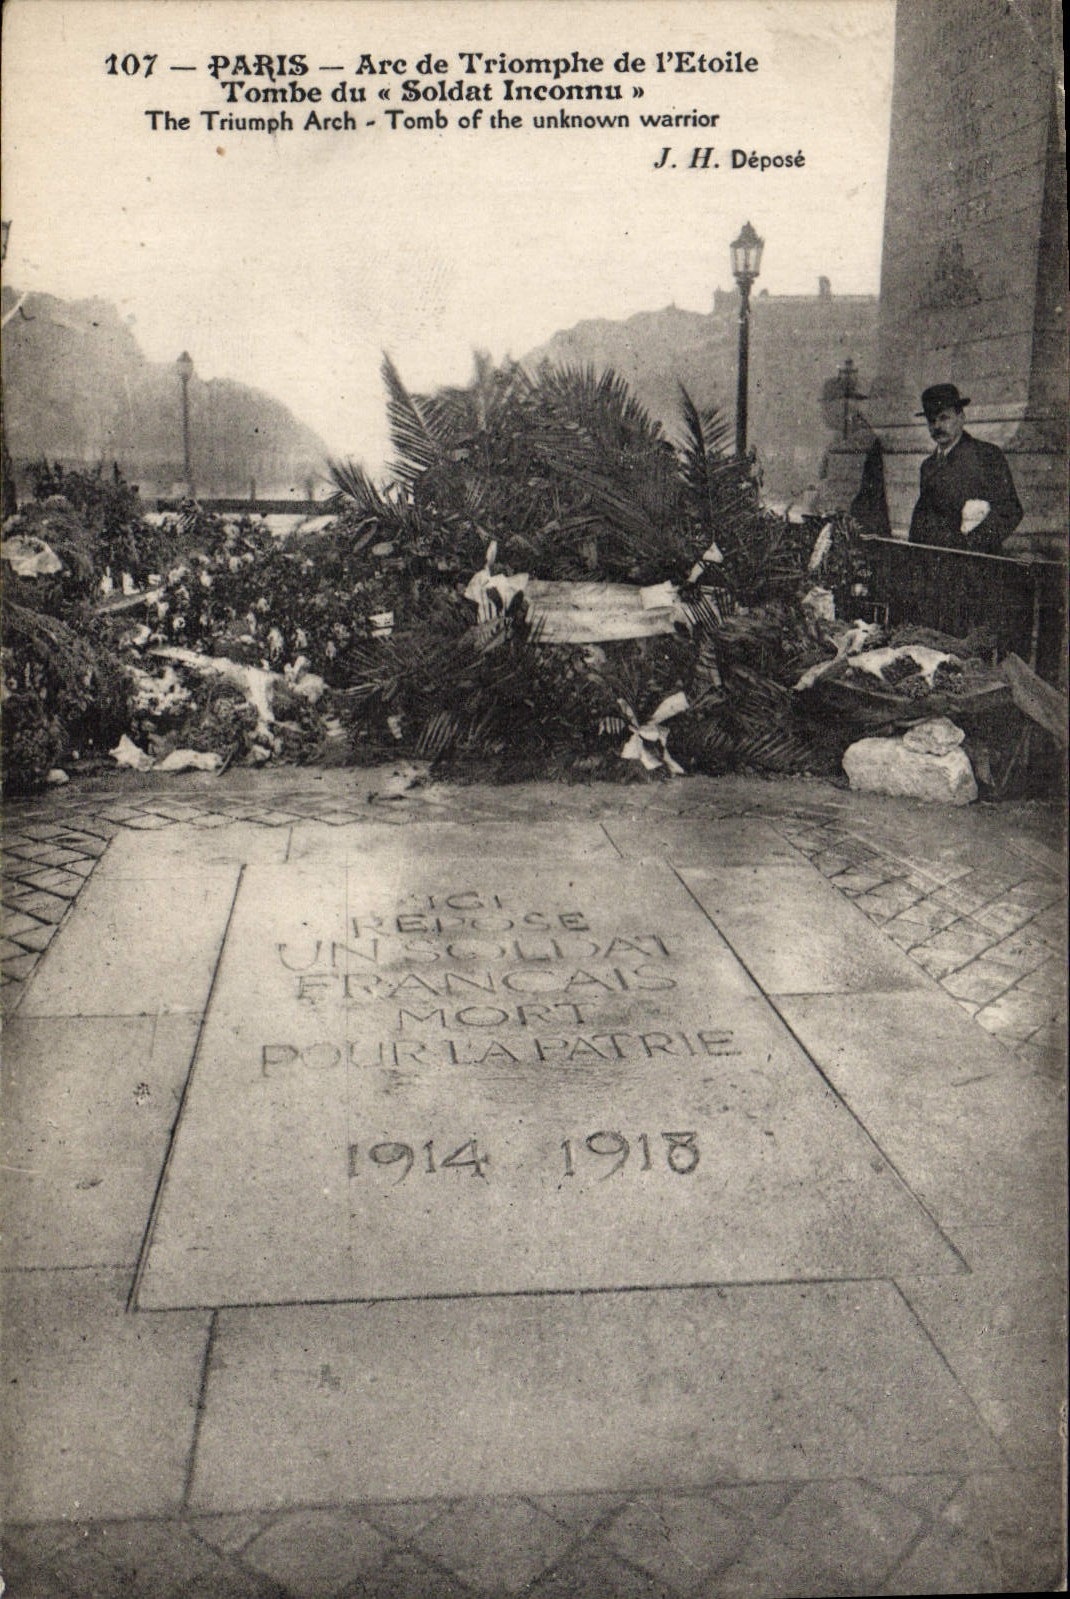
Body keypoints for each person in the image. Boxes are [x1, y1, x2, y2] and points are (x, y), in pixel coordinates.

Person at [908, 384, 1023, 553]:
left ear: (961, 417)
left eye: (944, 418)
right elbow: (922, 517)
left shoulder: (986, 455)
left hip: (974, 562)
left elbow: (1010, 511)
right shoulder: (928, 466)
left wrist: (969, 545)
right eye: (931, 420)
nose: (937, 426)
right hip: (935, 564)